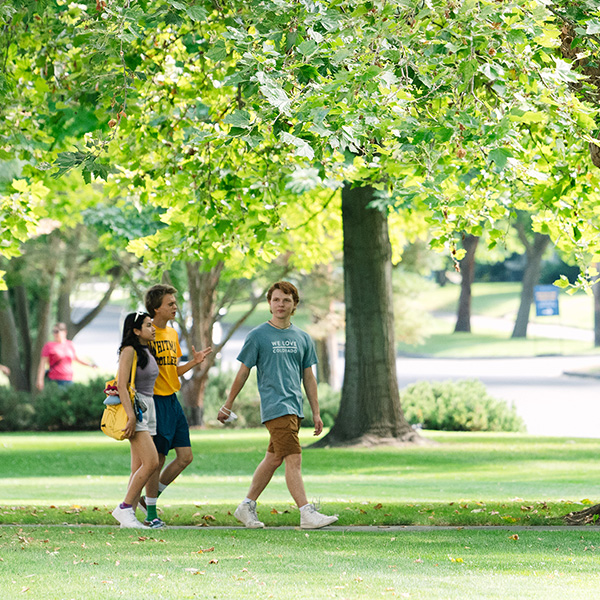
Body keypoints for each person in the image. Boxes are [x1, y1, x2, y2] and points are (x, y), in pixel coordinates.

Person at [218, 281, 338, 529]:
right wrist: (228, 404)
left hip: (295, 407)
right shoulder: (258, 336)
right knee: (294, 459)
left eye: (286, 300)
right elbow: (242, 373)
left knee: (273, 459)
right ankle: (306, 513)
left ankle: (246, 507)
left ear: (294, 304)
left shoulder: (303, 338)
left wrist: (316, 412)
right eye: (276, 299)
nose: (280, 304)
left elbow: (309, 377)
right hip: (276, 407)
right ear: (269, 303)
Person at [137, 284, 211, 526]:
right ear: (156, 308)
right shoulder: (147, 334)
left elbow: (173, 370)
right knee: (156, 460)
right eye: (170, 304)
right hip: (155, 401)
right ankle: (150, 514)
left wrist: (195, 362)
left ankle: (150, 497)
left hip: (173, 399)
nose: (175, 308)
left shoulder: (172, 335)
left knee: (185, 457)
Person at [111, 312, 161, 529]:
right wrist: (131, 415)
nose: (153, 328)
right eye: (148, 325)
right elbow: (121, 385)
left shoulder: (146, 351)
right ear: (136, 331)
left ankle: (128, 514)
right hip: (137, 409)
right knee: (151, 462)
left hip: (148, 407)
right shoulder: (129, 350)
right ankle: (124, 508)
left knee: (138, 466)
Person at [36, 322, 96, 390]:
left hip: (69, 379)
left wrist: (90, 364)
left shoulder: (70, 344)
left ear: (64, 332)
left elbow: (77, 359)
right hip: (55, 380)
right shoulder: (49, 346)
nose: (55, 334)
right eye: (54, 331)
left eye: (57, 331)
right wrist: (40, 380)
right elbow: (42, 365)